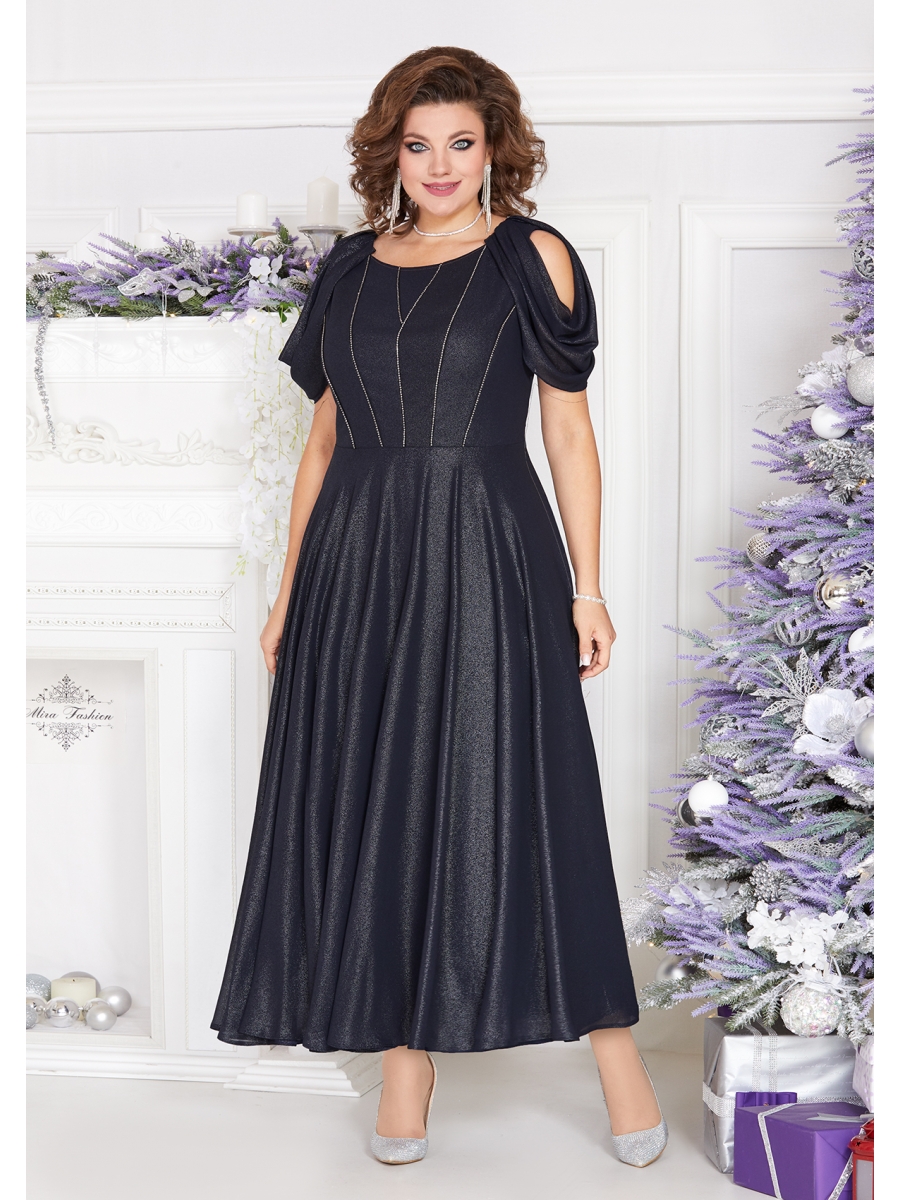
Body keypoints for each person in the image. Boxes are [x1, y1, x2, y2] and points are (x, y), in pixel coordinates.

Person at [213, 45, 666, 1169]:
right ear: (392, 154)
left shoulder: (532, 256)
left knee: (529, 794)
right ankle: (404, 1071)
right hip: (356, 559)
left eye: (461, 142)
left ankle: (619, 1065)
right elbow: (322, 441)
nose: (442, 165)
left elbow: (568, 431)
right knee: (378, 796)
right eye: (419, 146)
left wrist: (589, 586)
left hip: (487, 548)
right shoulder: (351, 267)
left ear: (495, 146)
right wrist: (287, 592)